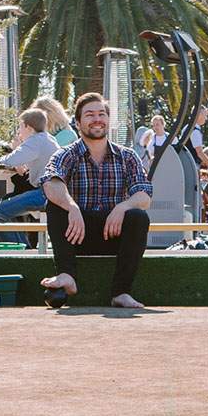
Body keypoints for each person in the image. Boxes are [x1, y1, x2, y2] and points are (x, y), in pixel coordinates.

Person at [40, 92, 153, 308]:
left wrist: (123, 207)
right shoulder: (66, 155)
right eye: (89, 115)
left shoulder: (127, 156)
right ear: (78, 123)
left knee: (138, 216)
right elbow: (50, 183)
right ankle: (66, 275)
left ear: (108, 120)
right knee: (54, 206)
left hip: (113, 235)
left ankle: (121, 293)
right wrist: (71, 206)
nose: (97, 119)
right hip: (76, 235)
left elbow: (144, 195)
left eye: (101, 114)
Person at [0, 108, 59, 244]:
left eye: (20, 126)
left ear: (28, 127)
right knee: (6, 207)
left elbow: (10, 160)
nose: (19, 132)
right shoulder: (49, 139)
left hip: (44, 193)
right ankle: (23, 246)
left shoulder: (35, 141)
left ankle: (21, 249)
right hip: (53, 191)